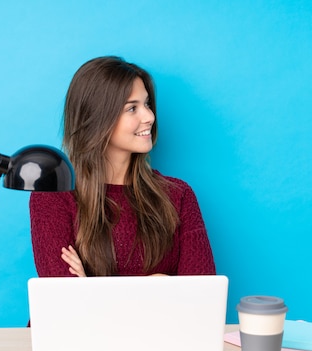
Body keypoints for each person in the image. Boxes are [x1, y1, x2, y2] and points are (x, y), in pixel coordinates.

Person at [29, 56, 215, 277]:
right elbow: (63, 304)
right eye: (132, 108)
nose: (149, 116)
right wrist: (154, 286)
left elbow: (201, 301)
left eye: (146, 104)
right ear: (97, 118)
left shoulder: (178, 195)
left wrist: (90, 288)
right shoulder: (53, 196)